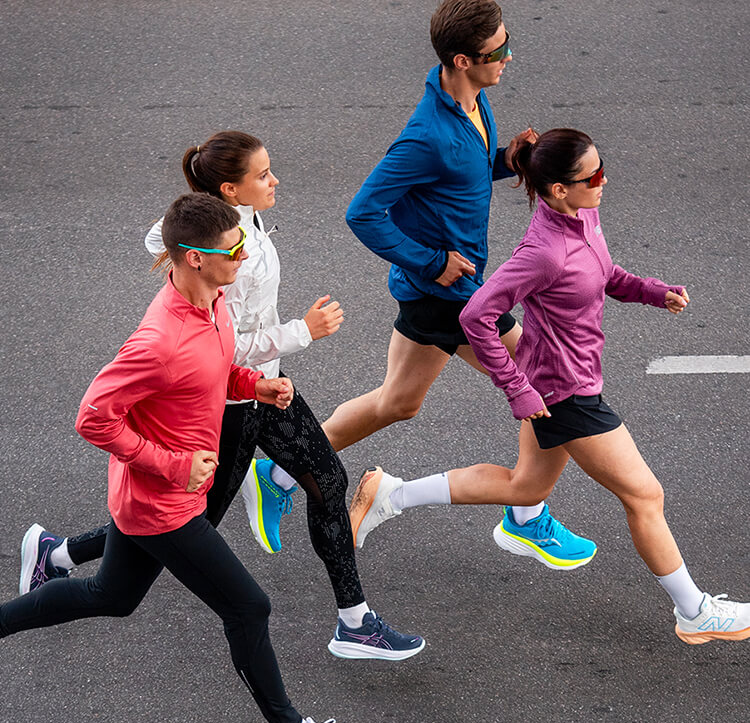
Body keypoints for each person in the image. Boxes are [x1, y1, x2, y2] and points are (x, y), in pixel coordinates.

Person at [4, 194, 375, 723]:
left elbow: (212, 370)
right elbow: (93, 416)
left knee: (112, 597)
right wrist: (173, 465)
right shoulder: (158, 340)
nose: (245, 253)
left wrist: (253, 386)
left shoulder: (216, 303)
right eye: (233, 248)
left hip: (158, 496)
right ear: (195, 258)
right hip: (160, 504)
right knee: (249, 606)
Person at [20, 130, 423, 662]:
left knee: (327, 479)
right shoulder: (233, 257)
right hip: (228, 404)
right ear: (231, 191)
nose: (275, 179)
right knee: (191, 526)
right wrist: (304, 330)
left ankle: (354, 622)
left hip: (263, 390)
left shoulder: (235, 227)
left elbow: (157, 240)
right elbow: (225, 349)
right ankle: (61, 552)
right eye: (262, 174)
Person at [347, 127, 750, 645]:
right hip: (565, 392)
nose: (604, 182)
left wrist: (654, 292)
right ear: (559, 188)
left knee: (526, 488)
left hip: (565, 380)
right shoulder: (543, 252)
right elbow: (476, 315)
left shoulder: (585, 217)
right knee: (645, 495)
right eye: (594, 176)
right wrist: (518, 387)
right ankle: (694, 611)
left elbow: (605, 273)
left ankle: (390, 494)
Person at [244, 0, 595, 569]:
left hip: (441, 293)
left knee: (397, 402)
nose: (509, 56)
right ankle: (527, 516)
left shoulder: (473, 99)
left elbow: (464, 174)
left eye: (507, 43)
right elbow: (363, 212)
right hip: (449, 295)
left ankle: (280, 470)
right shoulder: (426, 135)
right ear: (463, 58)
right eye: (497, 51)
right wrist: (431, 262)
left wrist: (507, 159)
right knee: (543, 384)